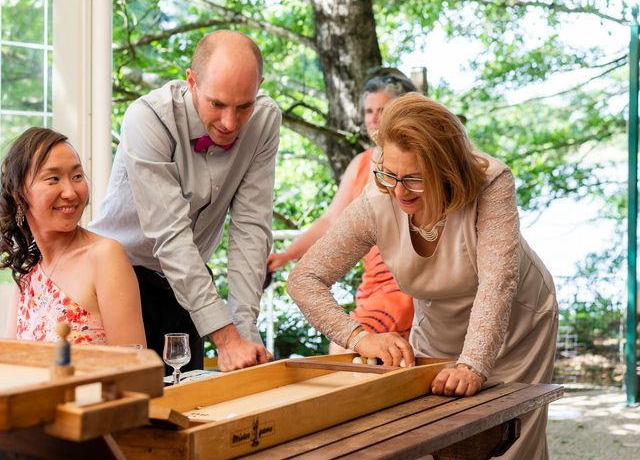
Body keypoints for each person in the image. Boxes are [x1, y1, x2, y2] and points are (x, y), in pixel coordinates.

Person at [287, 93, 558, 459]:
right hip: (437, 322)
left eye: (414, 179)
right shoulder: (377, 199)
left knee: (508, 441)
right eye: (389, 174)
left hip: (516, 325)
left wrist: (474, 364)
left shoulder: (491, 182)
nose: (398, 192)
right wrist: (359, 337)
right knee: (427, 439)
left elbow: (498, 284)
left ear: (446, 169)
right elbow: (305, 279)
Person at [90, 30, 281, 372]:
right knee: (129, 406)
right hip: (120, 281)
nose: (230, 123)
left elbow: (250, 229)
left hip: (189, 288)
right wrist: (225, 338)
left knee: (188, 400)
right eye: (217, 104)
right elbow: (171, 235)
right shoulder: (148, 118)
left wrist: (244, 332)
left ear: (259, 86)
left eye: (244, 107)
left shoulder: (265, 121)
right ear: (191, 81)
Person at [268, 71, 416, 343]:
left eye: (382, 110)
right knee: (355, 353)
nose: (373, 118)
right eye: (369, 110)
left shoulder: (420, 160)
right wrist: (286, 256)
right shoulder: (360, 164)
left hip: (407, 283)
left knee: (348, 352)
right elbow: (330, 220)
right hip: (372, 284)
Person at [0, 127, 146, 346]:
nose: (70, 192)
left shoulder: (105, 256)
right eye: (53, 179)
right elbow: (10, 362)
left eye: (77, 176)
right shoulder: (27, 273)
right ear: (19, 194)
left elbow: (135, 369)